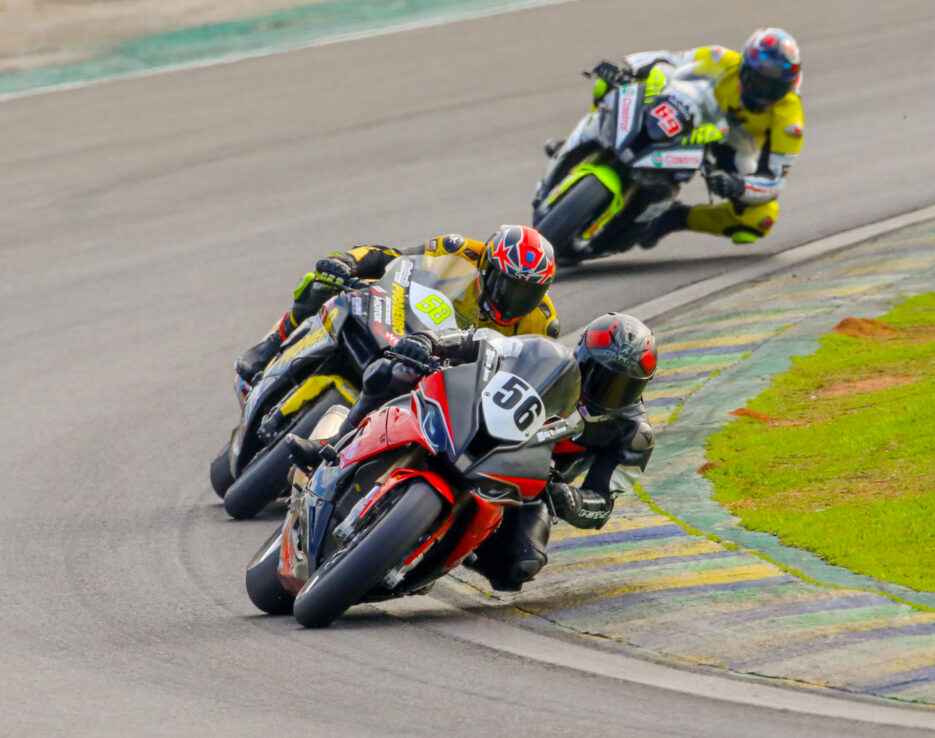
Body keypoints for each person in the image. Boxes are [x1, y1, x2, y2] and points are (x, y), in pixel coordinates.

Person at [288, 312, 658, 593]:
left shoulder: (632, 435)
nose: (607, 391)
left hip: (530, 483)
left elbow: (602, 503)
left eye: (623, 387)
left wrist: (571, 500)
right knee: (393, 372)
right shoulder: (547, 355)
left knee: (518, 566)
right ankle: (333, 443)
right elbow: (482, 342)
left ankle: (429, 557)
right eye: (602, 376)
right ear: (583, 356)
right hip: (475, 421)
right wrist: (430, 341)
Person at [235, 225, 560, 383]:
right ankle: (273, 343)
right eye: (507, 285)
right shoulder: (460, 250)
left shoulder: (543, 323)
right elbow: (394, 258)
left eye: (527, 293)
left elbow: (529, 378)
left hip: (448, 380)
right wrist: (348, 261)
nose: (514, 299)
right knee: (323, 283)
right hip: (401, 326)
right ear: (487, 267)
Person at [577, 28, 803, 248]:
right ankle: (587, 140)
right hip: (698, 113)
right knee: (607, 84)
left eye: (772, 88)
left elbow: (774, 181)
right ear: (744, 66)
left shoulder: (790, 122)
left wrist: (739, 186)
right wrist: (627, 66)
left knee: (760, 218)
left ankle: (673, 218)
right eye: (756, 80)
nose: (762, 91)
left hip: (734, 147)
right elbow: (669, 59)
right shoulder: (720, 58)